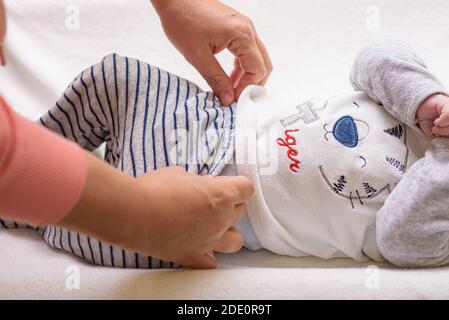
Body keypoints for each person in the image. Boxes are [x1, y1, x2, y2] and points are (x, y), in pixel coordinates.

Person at [13, 40, 449, 269]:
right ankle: (26, 147)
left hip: (205, 209)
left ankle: (24, 207)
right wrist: (426, 98)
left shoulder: (436, 222)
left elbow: (400, 240)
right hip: (208, 116)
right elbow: (373, 58)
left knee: (92, 229)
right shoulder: (419, 99)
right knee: (113, 77)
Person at [0, 0, 276, 269]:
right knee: (99, 232)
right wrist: (148, 216)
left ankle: (50, 180)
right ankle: (35, 208)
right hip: (191, 200)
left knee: (113, 77)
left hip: (208, 114)